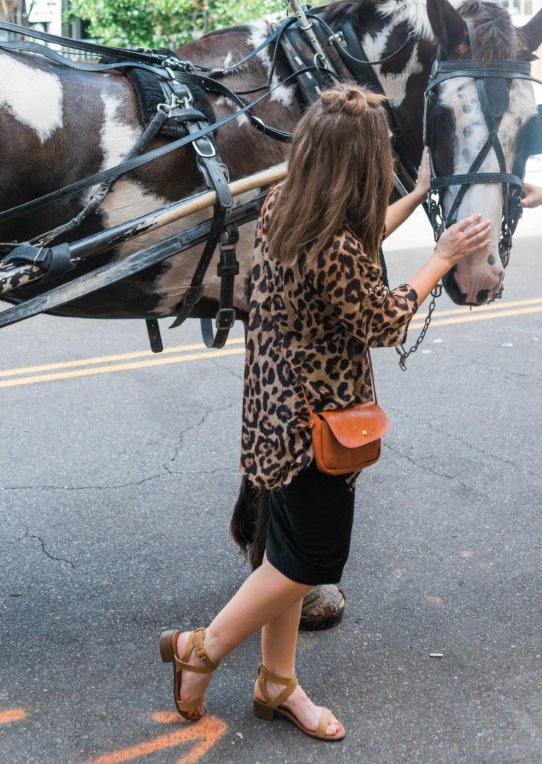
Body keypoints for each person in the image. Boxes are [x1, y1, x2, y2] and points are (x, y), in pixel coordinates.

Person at [160, 85, 491, 742]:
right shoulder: (337, 248)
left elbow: (357, 235)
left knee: (281, 554)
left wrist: (418, 194)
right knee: (309, 561)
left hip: (272, 401)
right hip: (317, 422)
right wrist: (441, 258)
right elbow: (384, 319)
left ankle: (276, 681)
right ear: (360, 165)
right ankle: (199, 648)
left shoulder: (286, 204)